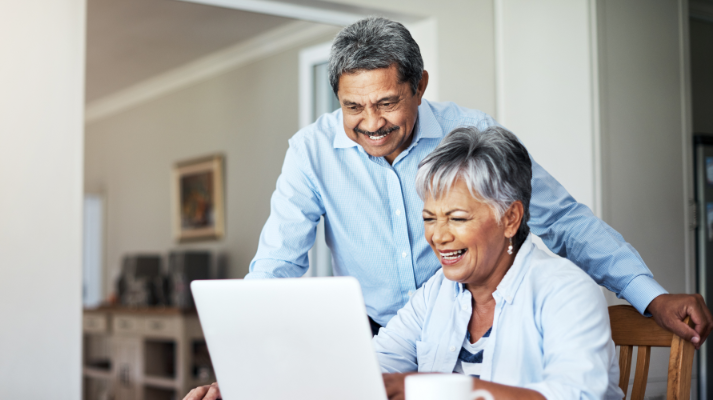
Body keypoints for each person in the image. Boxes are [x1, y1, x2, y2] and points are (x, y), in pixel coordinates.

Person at [183, 16, 710, 400]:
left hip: (464, 341)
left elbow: (563, 220)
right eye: (352, 107)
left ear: (420, 87)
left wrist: (650, 296)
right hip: (397, 334)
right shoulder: (311, 151)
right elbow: (276, 265)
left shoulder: (471, 136)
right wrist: (247, 377)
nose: (371, 123)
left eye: (387, 102)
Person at [376, 126, 621, 400]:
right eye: (430, 219)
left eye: (457, 218)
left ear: (510, 219)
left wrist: (451, 389)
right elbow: (377, 365)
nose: (438, 236)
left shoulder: (567, 291)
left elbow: (576, 395)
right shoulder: (436, 291)